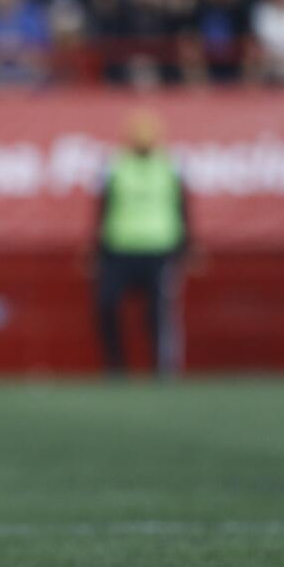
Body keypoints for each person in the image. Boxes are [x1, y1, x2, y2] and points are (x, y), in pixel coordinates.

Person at [94, 110, 192, 376]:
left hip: (159, 249)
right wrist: (97, 249)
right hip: (119, 248)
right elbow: (102, 208)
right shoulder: (114, 165)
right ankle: (116, 366)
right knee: (107, 304)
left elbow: (183, 207)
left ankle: (162, 370)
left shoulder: (171, 165)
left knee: (158, 314)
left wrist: (186, 246)